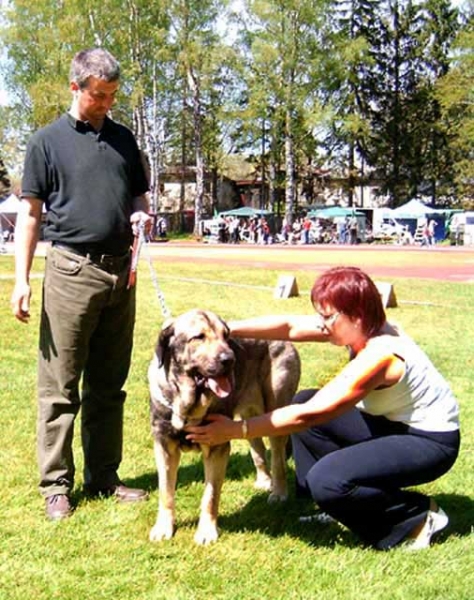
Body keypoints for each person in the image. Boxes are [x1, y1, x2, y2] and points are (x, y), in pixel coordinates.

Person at [186, 266, 460, 551]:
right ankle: (339, 508)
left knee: (327, 478)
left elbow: (310, 415)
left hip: (430, 442)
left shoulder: (381, 355)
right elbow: (289, 328)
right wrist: (224, 328)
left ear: (357, 314)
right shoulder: (361, 327)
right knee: (301, 399)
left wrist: (234, 430)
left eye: (328, 316)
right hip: (392, 424)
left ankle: (417, 516)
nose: (321, 323)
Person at [11, 48, 152, 520]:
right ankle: (55, 485)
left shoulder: (124, 140)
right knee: (60, 387)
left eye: (112, 95)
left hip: (121, 273)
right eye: (99, 95)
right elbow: (30, 215)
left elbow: (138, 193)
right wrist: (22, 280)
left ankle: (104, 477)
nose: (107, 103)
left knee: (110, 385)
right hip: (70, 270)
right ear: (75, 87)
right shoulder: (45, 142)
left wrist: (140, 212)